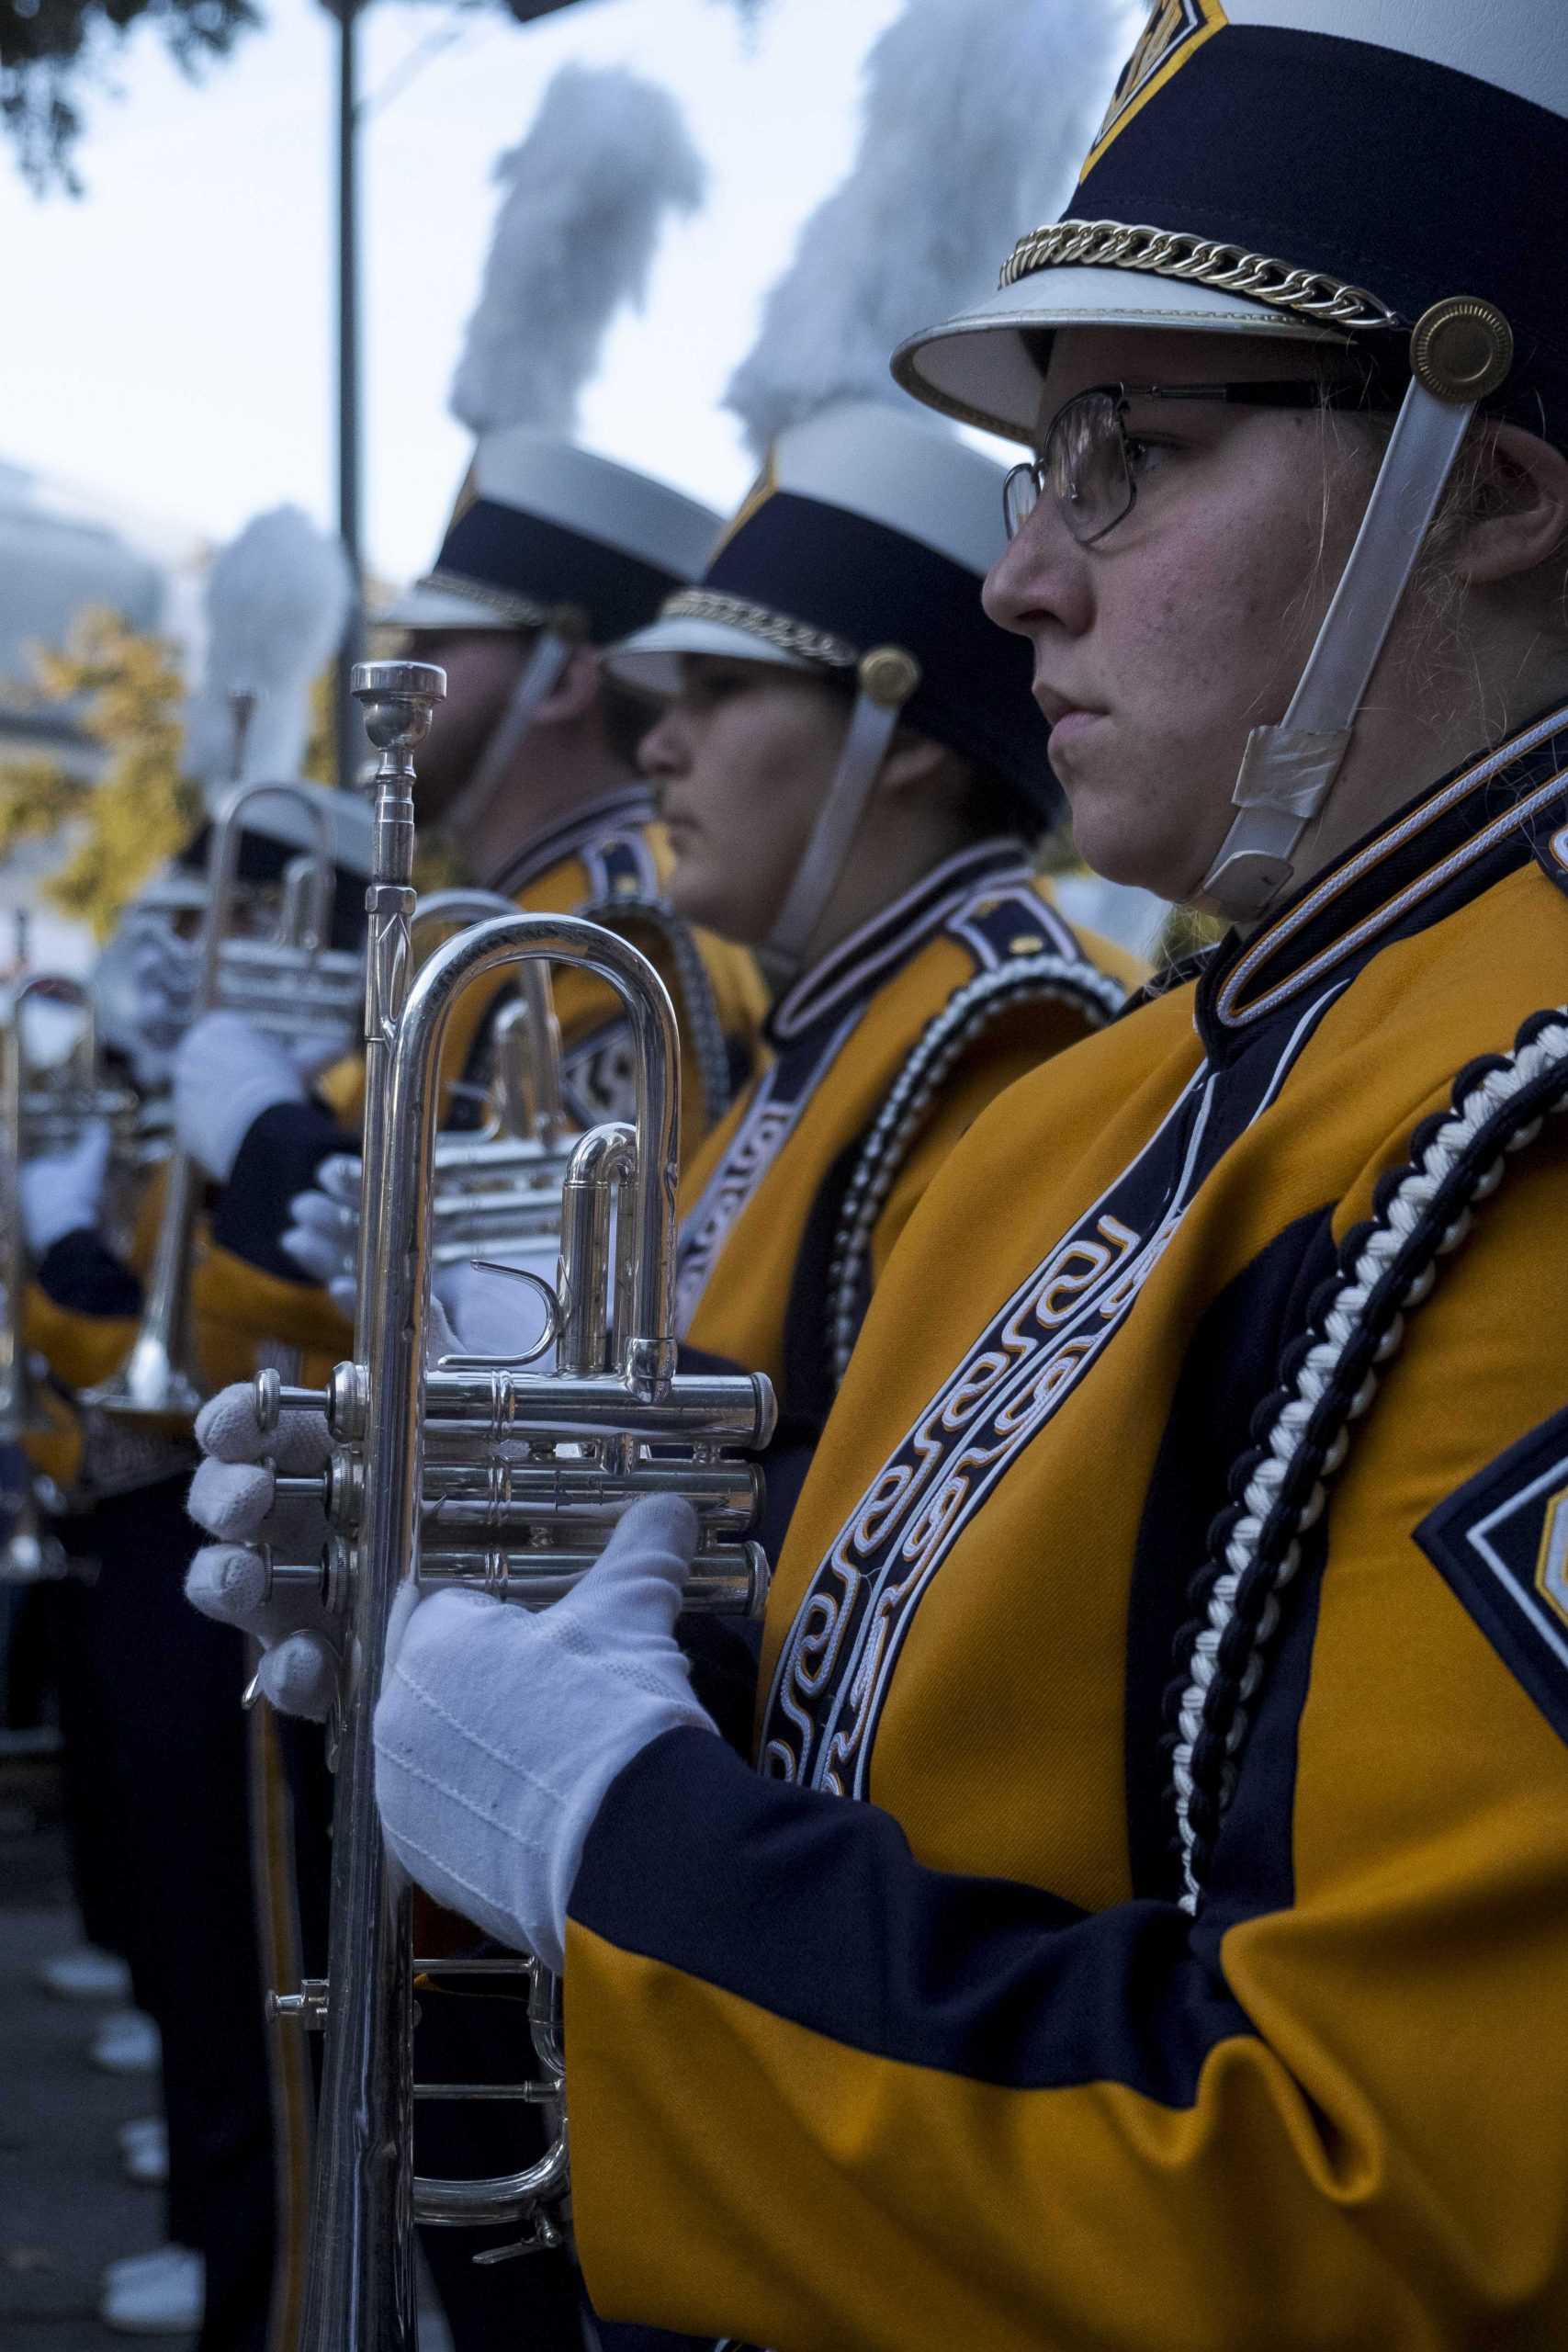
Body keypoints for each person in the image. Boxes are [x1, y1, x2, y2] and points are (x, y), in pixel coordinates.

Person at [359, 5, 1568, 2346]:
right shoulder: (1113, 1091)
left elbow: (1390, 2194)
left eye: (1125, 453)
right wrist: (531, 1654)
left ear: (1491, 486)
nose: (1015, 586)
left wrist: (609, 1830)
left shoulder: (1505, 1105)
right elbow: (942, 1730)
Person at [604, 398, 1140, 1547]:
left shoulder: (1005, 1025)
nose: (658, 745)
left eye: (721, 688)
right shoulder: (842, 1012)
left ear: (903, 733)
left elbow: (921, 1533)